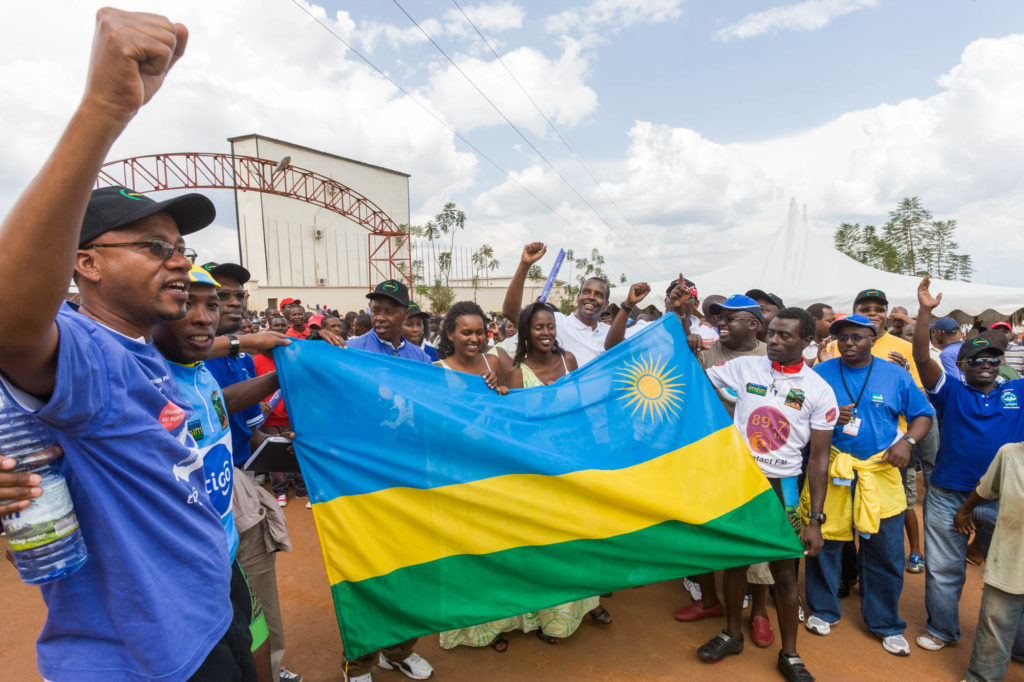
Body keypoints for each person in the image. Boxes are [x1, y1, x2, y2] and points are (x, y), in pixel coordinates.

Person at [0, 9, 262, 679]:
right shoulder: (92, 353)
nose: (179, 263)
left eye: (180, 247)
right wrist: (104, 108)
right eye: (154, 247)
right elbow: (8, 322)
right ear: (85, 264)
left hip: (207, 620)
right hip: (147, 660)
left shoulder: (146, 352)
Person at [696, 308, 836, 682]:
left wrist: (815, 520)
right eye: (771, 333)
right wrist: (685, 335)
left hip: (784, 489)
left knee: (785, 575)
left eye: (784, 336)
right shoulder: (745, 369)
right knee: (736, 563)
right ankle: (732, 634)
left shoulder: (818, 389)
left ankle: (790, 655)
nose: (773, 340)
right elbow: (696, 379)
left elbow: (819, 460)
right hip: (742, 484)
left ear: (806, 342)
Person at [806, 314, 934, 656]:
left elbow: (923, 414)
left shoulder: (896, 375)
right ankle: (823, 609)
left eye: (857, 337)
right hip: (832, 467)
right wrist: (830, 413)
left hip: (879, 470)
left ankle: (885, 622)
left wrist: (907, 441)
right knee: (827, 542)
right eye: (843, 337)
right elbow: (797, 412)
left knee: (885, 548)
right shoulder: (819, 374)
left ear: (874, 338)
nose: (848, 343)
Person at [202, 262, 304, 682]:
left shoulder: (241, 359)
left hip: (242, 487)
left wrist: (292, 452)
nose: (231, 303)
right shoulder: (184, 358)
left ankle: (272, 667)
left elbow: (247, 429)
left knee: (258, 595)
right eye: (217, 297)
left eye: (237, 296)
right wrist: (284, 373)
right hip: (203, 501)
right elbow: (215, 404)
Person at [910, 277, 1024, 652]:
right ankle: (943, 630)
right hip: (947, 493)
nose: (987, 364)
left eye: (994, 358)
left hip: (1005, 497)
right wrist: (925, 313)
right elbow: (923, 359)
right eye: (977, 359)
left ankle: (1019, 644)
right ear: (961, 365)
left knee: (1014, 574)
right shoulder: (951, 390)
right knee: (944, 570)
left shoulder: (1017, 390)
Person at [343, 278, 434, 682]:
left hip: (411, 481)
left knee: (411, 568)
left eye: (389, 309)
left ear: (406, 315)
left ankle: (399, 651)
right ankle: (359, 662)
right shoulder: (349, 352)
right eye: (375, 308)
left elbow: (435, 412)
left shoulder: (422, 358)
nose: (380, 316)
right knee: (366, 572)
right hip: (364, 481)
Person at [674, 295, 771, 629]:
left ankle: (759, 611)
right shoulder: (706, 351)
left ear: (754, 325)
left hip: (755, 463)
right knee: (701, 526)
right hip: (709, 457)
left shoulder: (770, 357)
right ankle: (709, 600)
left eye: (731, 319)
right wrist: (686, 344)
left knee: (754, 536)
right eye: (720, 319)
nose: (722, 324)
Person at [954, 441, 1024, 681]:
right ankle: (983, 677)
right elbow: (985, 489)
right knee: (995, 623)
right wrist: (965, 510)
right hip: (1010, 553)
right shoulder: (1010, 453)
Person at [503, 242, 614, 367]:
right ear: (577, 298)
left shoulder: (612, 334)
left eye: (598, 295)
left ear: (606, 305)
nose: (591, 297)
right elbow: (510, 312)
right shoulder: (556, 323)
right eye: (586, 292)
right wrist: (525, 265)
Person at [507, 301, 579, 389]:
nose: (546, 332)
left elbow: (578, 398)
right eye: (538, 328)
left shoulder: (568, 360)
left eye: (551, 327)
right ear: (526, 332)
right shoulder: (518, 375)